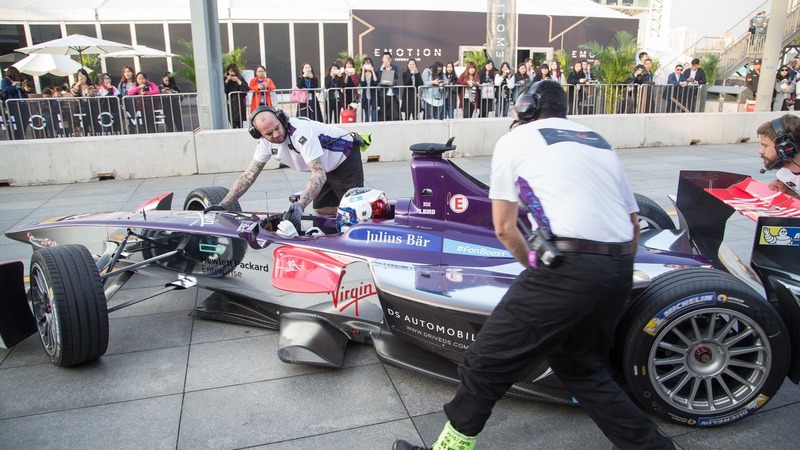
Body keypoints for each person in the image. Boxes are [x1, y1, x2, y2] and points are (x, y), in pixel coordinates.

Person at [392, 80, 675, 450]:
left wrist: (534, 266)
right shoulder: (596, 139)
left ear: (526, 107)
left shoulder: (515, 140)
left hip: (567, 267)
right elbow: (634, 223)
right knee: (581, 368)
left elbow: (504, 228)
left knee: (483, 362)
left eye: (514, 108)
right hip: (618, 265)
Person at [211, 106, 365, 233]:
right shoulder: (264, 143)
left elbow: (318, 174)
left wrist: (300, 205)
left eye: (277, 128)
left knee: (353, 210)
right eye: (269, 133)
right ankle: (332, 235)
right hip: (323, 165)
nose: (276, 135)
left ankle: (359, 234)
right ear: (259, 134)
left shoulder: (300, 132)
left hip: (344, 158)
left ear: (281, 119)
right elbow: (249, 175)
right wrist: (224, 204)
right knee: (321, 209)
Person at [758, 114, 800, 199]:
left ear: (786, 148)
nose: (760, 151)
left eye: (765, 146)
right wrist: (789, 193)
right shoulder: (783, 175)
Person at [1, 66, 30, 140]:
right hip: (13, 104)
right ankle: (18, 136)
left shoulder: (18, 82)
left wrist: (24, 89)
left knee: (25, 119)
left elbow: (22, 93)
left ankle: (22, 134)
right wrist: (13, 85)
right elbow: (6, 91)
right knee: (17, 121)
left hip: (22, 103)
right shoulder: (5, 81)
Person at [70, 68, 101, 136]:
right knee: (82, 125)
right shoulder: (75, 85)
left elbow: (96, 94)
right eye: (79, 76)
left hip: (91, 107)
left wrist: (90, 92)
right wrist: (78, 84)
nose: (81, 77)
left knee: (93, 123)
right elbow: (74, 94)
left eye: (83, 75)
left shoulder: (91, 85)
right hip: (79, 108)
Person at [377, 51, 400, 121]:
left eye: (388, 58)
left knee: (395, 113)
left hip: (392, 93)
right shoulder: (379, 68)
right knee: (384, 114)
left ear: (391, 59)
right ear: (382, 59)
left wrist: (390, 68)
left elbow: (396, 77)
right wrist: (381, 69)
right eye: (385, 58)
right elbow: (378, 79)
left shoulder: (394, 67)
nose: (387, 60)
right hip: (383, 94)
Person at [224, 63, 248, 128]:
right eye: (230, 71)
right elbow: (223, 90)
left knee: (240, 123)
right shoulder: (225, 79)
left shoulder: (240, 79)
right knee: (232, 122)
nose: (232, 73)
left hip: (239, 103)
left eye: (233, 71)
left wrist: (238, 80)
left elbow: (245, 88)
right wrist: (227, 80)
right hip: (230, 103)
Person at [360, 56, 378, 122]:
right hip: (365, 95)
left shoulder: (375, 72)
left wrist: (372, 71)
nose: (367, 65)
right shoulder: (361, 74)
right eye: (366, 63)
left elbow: (376, 82)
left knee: (374, 114)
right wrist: (363, 71)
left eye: (369, 63)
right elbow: (362, 83)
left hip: (373, 95)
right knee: (366, 116)